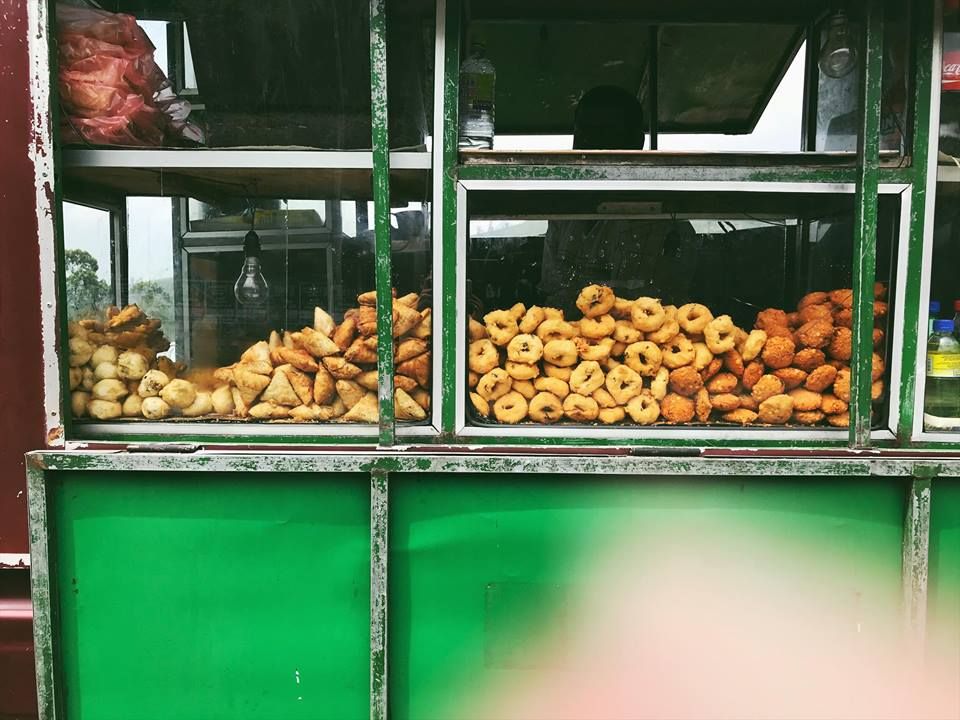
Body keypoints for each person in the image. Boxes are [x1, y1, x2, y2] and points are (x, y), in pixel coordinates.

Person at [539, 86, 700, 316]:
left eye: (604, 132)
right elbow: (551, 291)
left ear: (636, 141)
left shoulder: (667, 226)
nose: (589, 143)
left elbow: (666, 308)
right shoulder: (563, 216)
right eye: (582, 132)